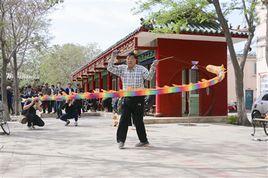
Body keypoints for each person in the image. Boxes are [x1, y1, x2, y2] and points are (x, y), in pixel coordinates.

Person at [107, 50, 158, 149]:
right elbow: (110, 68)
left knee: (138, 121)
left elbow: (149, 77)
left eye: (131, 59)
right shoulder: (122, 69)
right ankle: (121, 141)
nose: (129, 60)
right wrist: (113, 56)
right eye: (127, 59)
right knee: (123, 119)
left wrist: (153, 66)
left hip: (139, 99)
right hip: (126, 98)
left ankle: (143, 141)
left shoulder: (141, 69)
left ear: (136, 60)